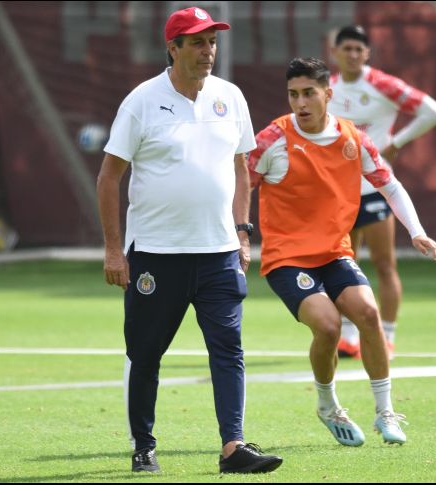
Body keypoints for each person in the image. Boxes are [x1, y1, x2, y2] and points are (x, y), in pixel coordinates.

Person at [97, 6, 282, 475]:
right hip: (157, 256)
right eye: (197, 42)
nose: (208, 52)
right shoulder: (141, 100)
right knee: (146, 354)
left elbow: (242, 167)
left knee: (228, 349)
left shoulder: (230, 96)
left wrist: (242, 233)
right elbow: (108, 177)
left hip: (219, 253)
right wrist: (115, 250)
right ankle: (143, 445)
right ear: (173, 48)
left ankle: (233, 447)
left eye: (212, 42)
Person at [249, 57, 436, 446]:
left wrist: (417, 232)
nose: (300, 103)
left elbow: (390, 184)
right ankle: (328, 406)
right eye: (293, 95)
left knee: (369, 314)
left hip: (335, 253)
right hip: (287, 257)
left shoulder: (352, 137)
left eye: (308, 93)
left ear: (328, 95)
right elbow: (239, 185)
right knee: (328, 325)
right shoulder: (273, 138)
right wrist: (236, 234)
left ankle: (385, 412)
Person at [328, 25, 436, 359]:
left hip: (377, 189)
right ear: (334, 52)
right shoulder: (327, 89)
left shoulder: (381, 84)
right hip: (340, 193)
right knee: (342, 264)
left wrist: (396, 143)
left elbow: (434, 111)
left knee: (384, 264)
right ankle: (349, 336)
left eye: (358, 49)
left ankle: (388, 335)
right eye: (346, 48)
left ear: (367, 54)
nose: (352, 54)